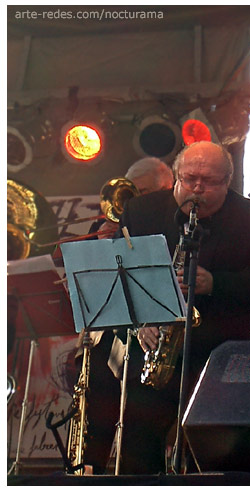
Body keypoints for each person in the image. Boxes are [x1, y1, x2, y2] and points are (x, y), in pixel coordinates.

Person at [114, 140, 250, 474]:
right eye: (189, 179)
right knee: (138, 451)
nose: (197, 189)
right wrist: (139, 322)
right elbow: (118, 280)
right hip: (152, 349)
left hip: (219, 353)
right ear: (176, 175)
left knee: (221, 455)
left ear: (228, 182)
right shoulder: (140, 212)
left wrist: (213, 283)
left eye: (210, 182)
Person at [74, 156, 174, 474]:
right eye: (129, 192)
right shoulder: (109, 227)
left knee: (139, 433)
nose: (132, 201)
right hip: (108, 340)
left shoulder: (171, 223)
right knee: (96, 417)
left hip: (147, 345)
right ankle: (88, 470)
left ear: (167, 189)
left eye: (141, 192)